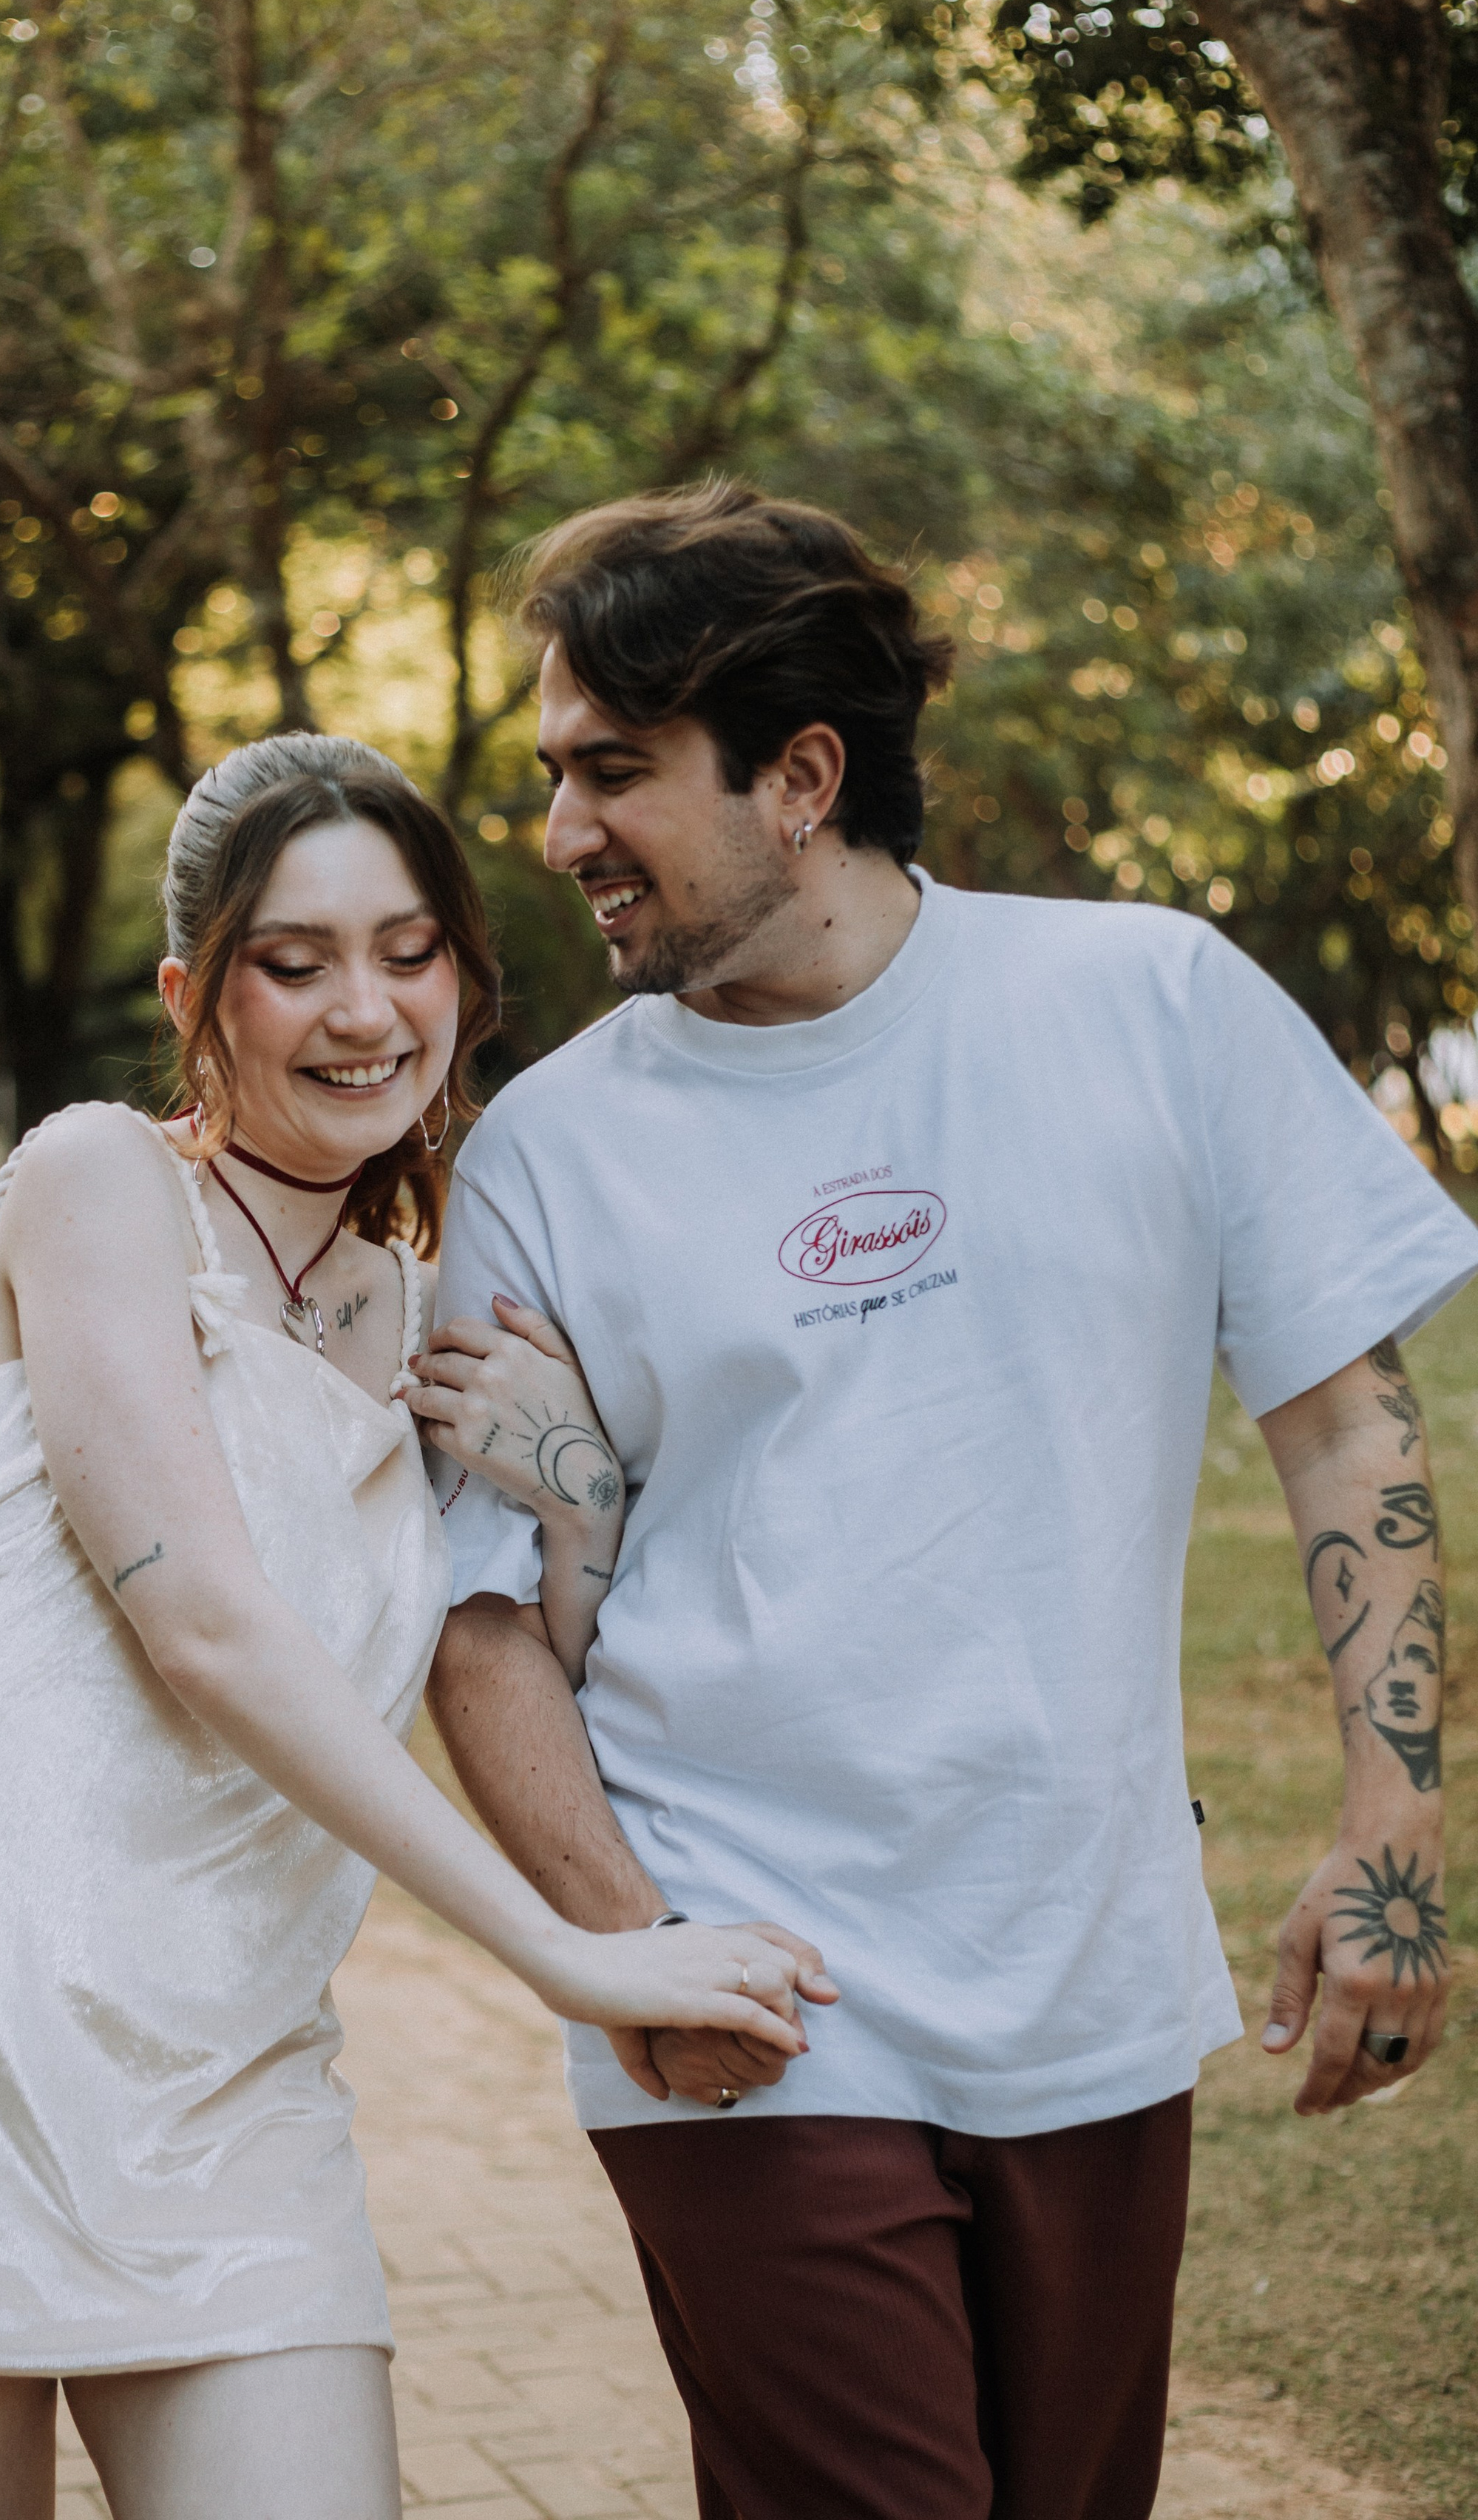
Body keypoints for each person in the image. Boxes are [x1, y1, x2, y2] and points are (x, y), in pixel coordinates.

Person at [405, 484, 1475, 2520]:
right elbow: (472, 1627)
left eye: (611, 773)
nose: (557, 838)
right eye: (553, 777)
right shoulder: (544, 1156)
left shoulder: (1153, 1005)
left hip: (1082, 1970)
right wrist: (637, 1949)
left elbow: (1342, 1425)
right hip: (747, 1998)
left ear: (801, 775)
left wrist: (1393, 1834)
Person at [0, 731, 828, 2520]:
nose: (363, 1008)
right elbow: (199, 1620)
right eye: (292, 963)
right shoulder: (96, 1186)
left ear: (462, 968)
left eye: (408, 949)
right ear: (191, 994)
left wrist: (574, 1501)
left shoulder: (427, 1315)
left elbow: (501, 1654)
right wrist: (564, 1957)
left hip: (230, 2072)